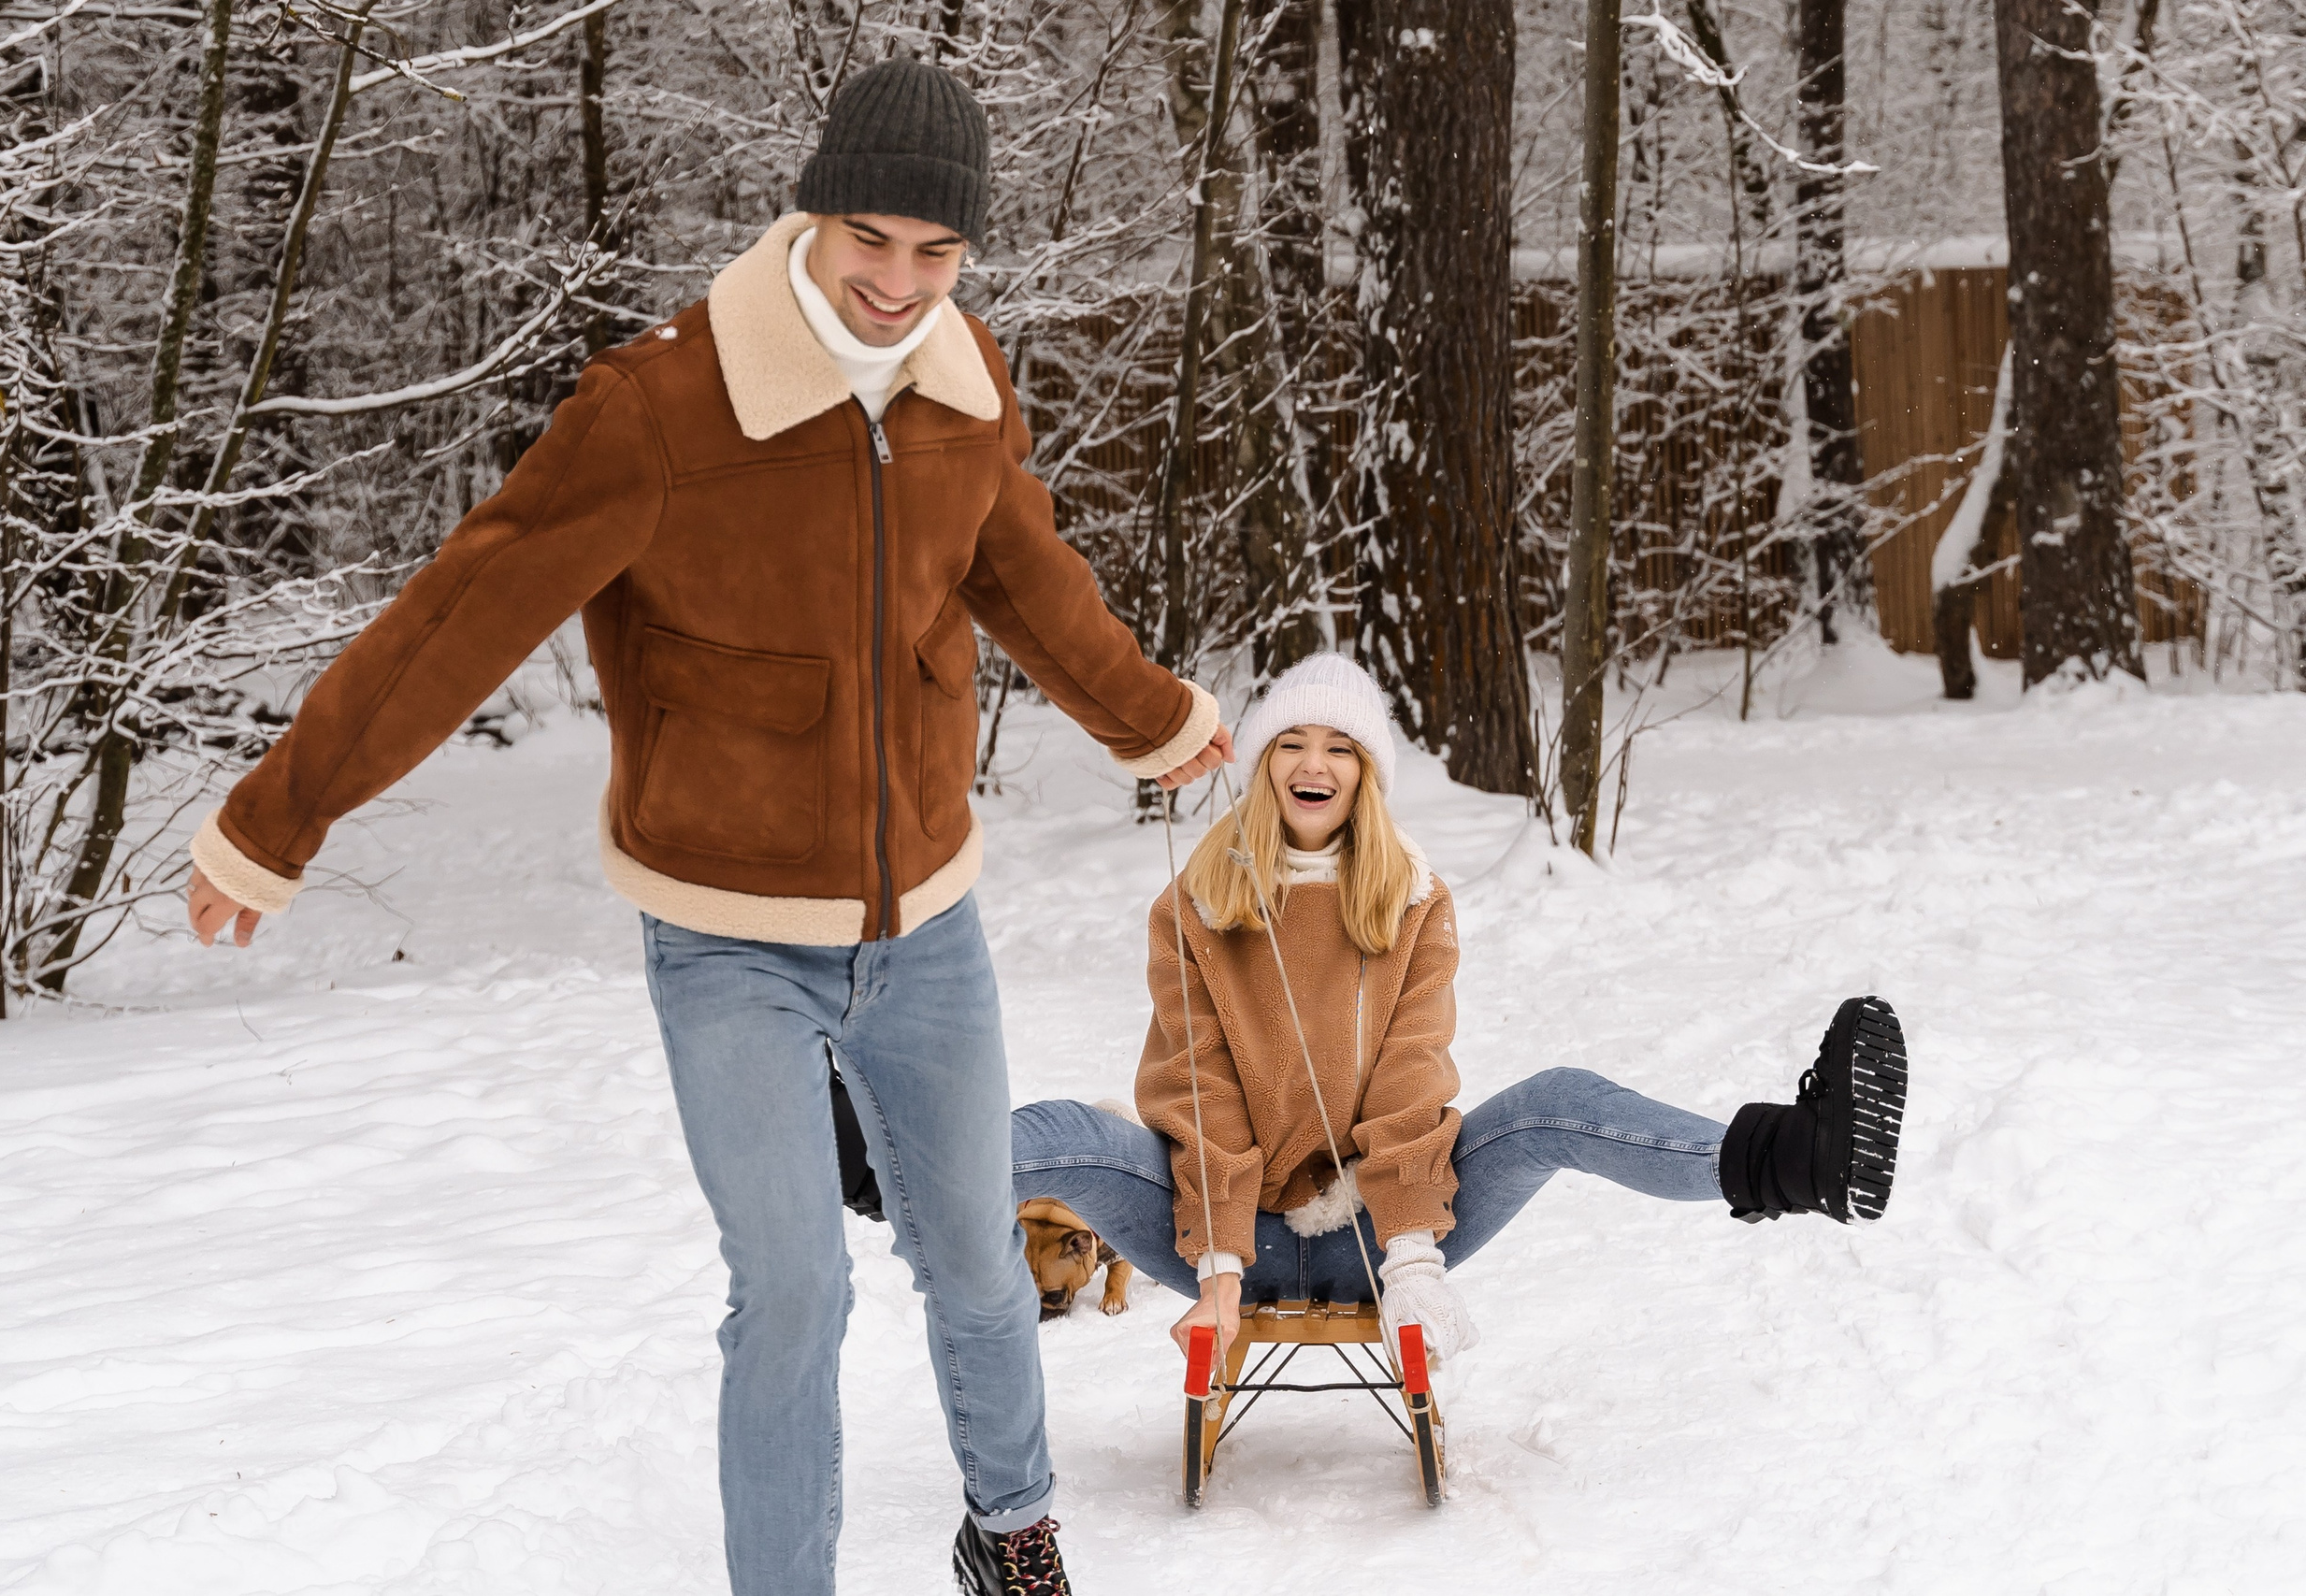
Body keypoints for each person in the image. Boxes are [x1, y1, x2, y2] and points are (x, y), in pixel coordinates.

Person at [182, 58, 1230, 1596]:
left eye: (938, 255)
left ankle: (1012, 1531)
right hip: (728, 933)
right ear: (813, 213)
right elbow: (462, 615)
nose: (900, 284)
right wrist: (280, 817)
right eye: (874, 240)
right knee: (793, 1292)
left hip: (925, 924)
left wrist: (1151, 716)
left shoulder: (962, 381)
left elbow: (1024, 577)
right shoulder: (662, 409)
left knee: (980, 1270)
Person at [1010, 653, 1908, 1372]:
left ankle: (1802, 1159)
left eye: (1340, 746)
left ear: (1366, 773)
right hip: (1228, 1245)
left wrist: (1409, 1258)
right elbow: (1198, 1092)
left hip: (1384, 1232)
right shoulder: (1195, 904)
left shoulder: (1411, 900)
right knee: (1069, 1132)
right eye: (1291, 741)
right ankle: (881, 1165)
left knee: (1556, 1100)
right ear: (1261, 763)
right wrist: (1218, 1269)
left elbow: (1411, 1079)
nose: (1313, 763)